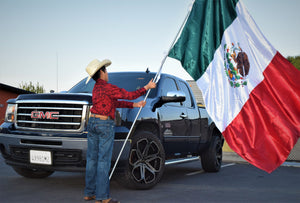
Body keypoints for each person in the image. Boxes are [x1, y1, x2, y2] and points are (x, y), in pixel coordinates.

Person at [83, 59, 156, 203]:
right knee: (103, 161)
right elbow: (129, 94)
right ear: (102, 72)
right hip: (104, 124)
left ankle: (89, 193)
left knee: (92, 159)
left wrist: (135, 105)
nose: (107, 73)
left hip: (92, 123)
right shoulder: (108, 87)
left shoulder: (96, 88)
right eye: (106, 70)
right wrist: (146, 87)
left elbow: (115, 102)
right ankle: (102, 197)